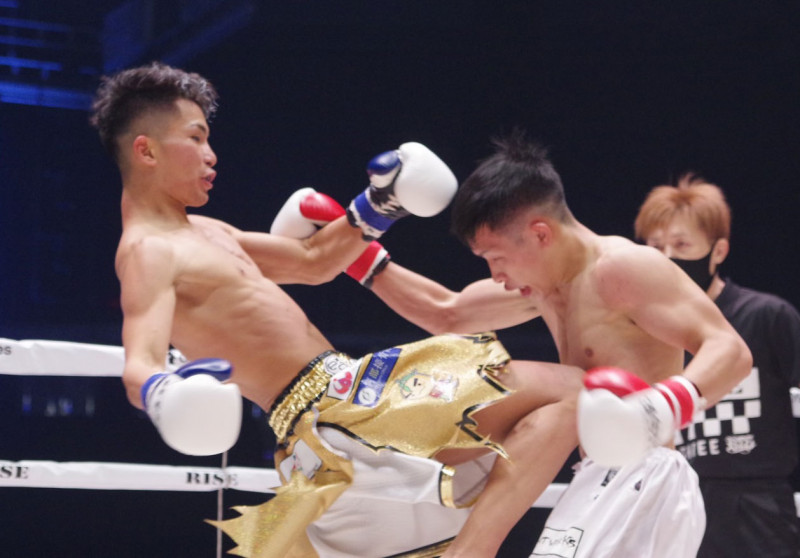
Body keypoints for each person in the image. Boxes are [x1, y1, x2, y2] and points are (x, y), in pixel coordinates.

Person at [89, 62, 583, 558]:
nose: (211, 154)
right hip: (338, 408)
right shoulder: (148, 250)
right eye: (195, 138)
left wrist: (381, 201)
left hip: (335, 415)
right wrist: (165, 393)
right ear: (146, 150)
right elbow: (140, 365)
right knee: (575, 390)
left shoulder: (208, 232)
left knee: (569, 400)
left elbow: (313, 261)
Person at [347, 132, 752, 557]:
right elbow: (446, 311)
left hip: (644, 480)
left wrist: (658, 408)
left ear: (540, 233)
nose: (495, 274)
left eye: (496, 257)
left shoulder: (623, 268)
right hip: (595, 478)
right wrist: (348, 250)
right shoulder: (543, 286)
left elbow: (730, 350)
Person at [634, 174, 800, 557]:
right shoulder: (643, 329)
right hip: (675, 499)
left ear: (718, 251)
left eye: (681, 245)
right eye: (655, 247)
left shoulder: (766, 316)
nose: (667, 259)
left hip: (758, 506)